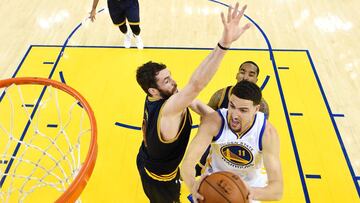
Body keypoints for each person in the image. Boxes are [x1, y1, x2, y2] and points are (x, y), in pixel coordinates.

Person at [135, 3, 251, 202]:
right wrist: (224, 45)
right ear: (153, 90)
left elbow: (194, 102)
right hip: (159, 179)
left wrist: (215, 117)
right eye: (166, 81)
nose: (173, 82)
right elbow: (196, 85)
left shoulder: (160, 94)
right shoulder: (169, 109)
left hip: (147, 156)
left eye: (169, 76)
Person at [181, 80, 283, 203]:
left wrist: (247, 192)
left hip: (251, 188)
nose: (234, 115)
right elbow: (187, 164)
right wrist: (193, 186)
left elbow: (277, 190)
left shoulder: (267, 134)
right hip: (214, 182)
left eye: (243, 110)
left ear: (256, 109)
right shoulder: (214, 122)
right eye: (232, 106)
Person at [195, 61, 269, 176]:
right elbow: (205, 117)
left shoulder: (262, 106)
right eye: (242, 72)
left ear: (256, 80)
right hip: (217, 141)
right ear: (236, 74)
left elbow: (260, 132)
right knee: (200, 165)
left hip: (241, 147)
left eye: (251, 74)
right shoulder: (221, 95)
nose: (245, 77)